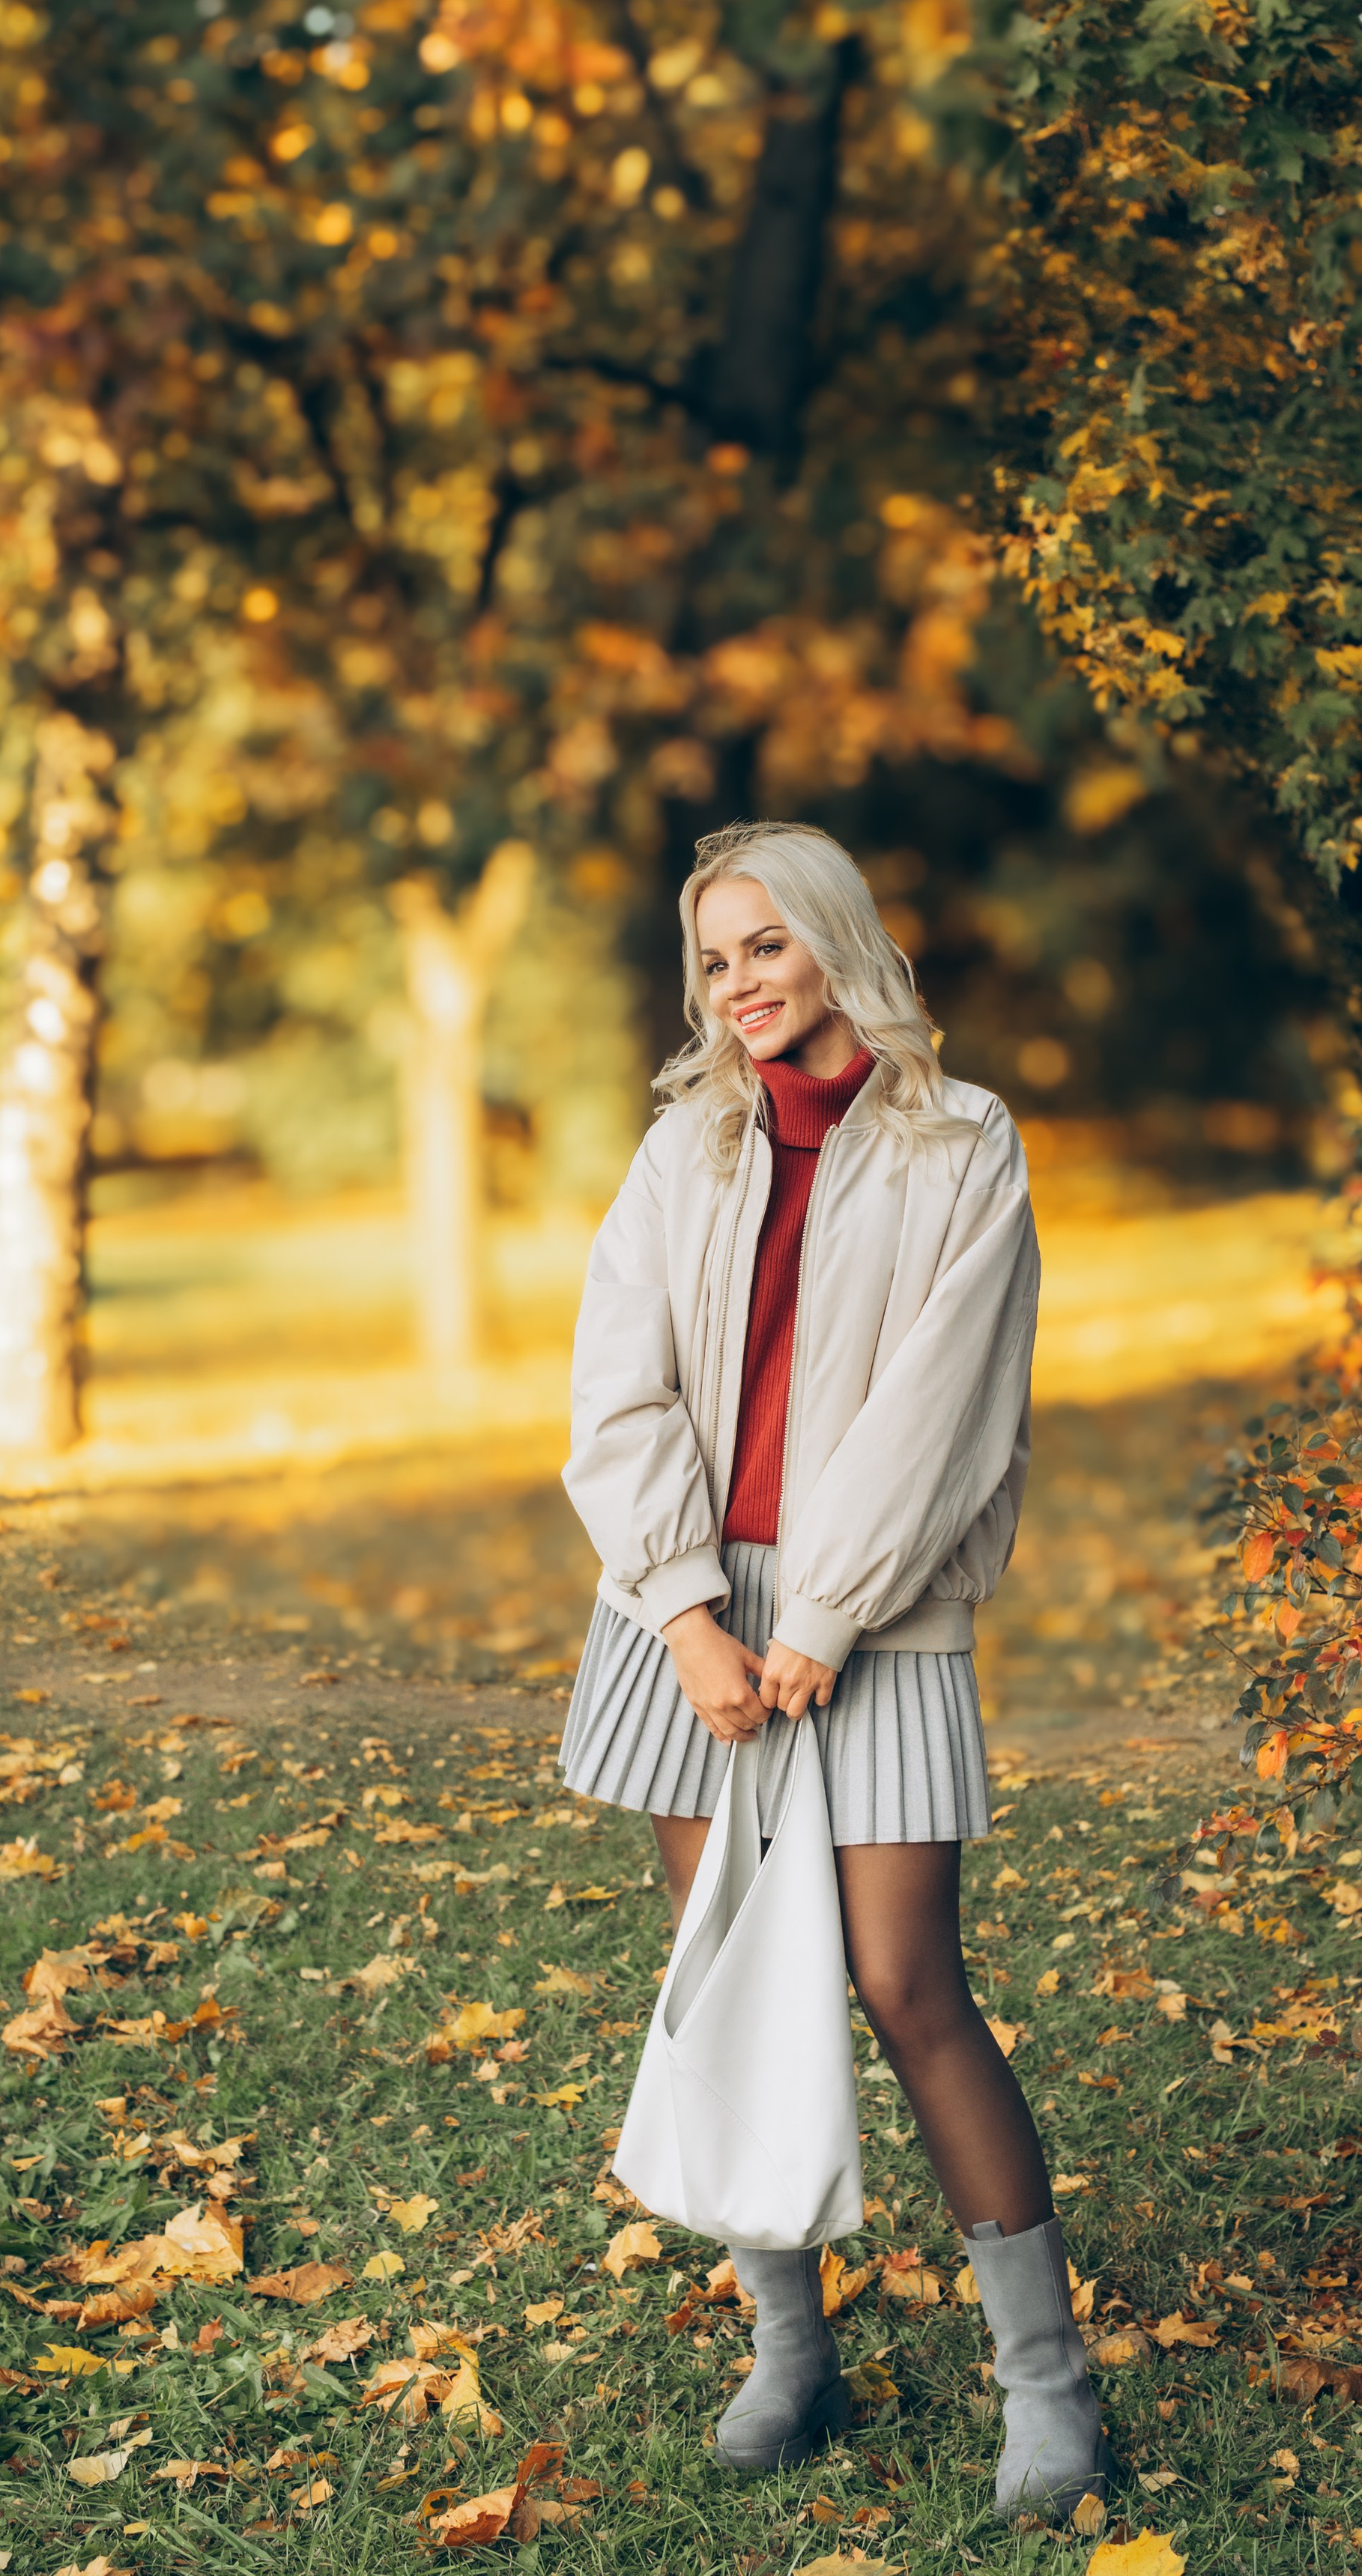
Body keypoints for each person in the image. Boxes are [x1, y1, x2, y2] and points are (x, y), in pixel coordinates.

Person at [557, 817, 1105, 2520]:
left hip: (873, 1617)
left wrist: (821, 1618)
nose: (739, 985)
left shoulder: (963, 1143)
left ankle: (1046, 2386)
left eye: (766, 946)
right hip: (688, 1622)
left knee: (904, 1984)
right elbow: (618, 1387)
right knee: (729, 1975)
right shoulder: (685, 1147)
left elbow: (946, 1409)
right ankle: (790, 2356)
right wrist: (683, 1612)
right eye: (713, 959)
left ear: (835, 937)